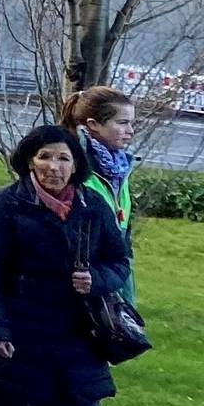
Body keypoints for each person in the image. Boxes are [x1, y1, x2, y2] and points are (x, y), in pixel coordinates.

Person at [0, 124, 131, 406]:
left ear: (76, 164)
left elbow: (119, 260)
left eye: (63, 158)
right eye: (45, 156)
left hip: (80, 342)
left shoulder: (93, 206)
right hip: (22, 341)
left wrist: (96, 279)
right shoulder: (4, 205)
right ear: (30, 160)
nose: (53, 167)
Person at [62, 86, 138, 284]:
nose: (130, 131)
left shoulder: (119, 167)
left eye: (131, 123)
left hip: (111, 270)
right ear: (93, 124)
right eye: (122, 123)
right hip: (80, 277)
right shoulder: (71, 165)